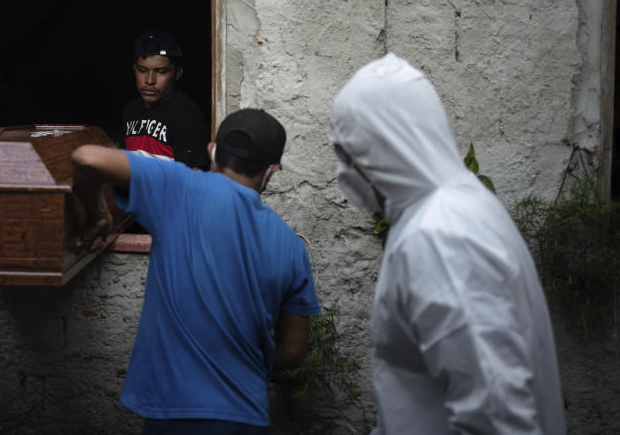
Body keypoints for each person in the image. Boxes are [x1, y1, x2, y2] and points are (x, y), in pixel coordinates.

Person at [329, 53, 566, 435]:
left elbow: (495, 419)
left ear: (384, 146)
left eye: (347, 154)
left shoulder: (441, 236)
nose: (343, 172)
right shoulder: (459, 209)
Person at [72, 108, 321, 434]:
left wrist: (98, 213)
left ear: (212, 151)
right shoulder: (291, 246)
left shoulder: (180, 188)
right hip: (246, 415)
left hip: (175, 411)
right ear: (271, 170)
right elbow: (292, 351)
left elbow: (86, 157)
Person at [122, 30, 209, 169]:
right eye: (142, 70)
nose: (150, 80)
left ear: (177, 73)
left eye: (161, 71)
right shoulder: (130, 111)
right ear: (134, 69)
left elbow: (194, 179)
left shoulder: (186, 115)